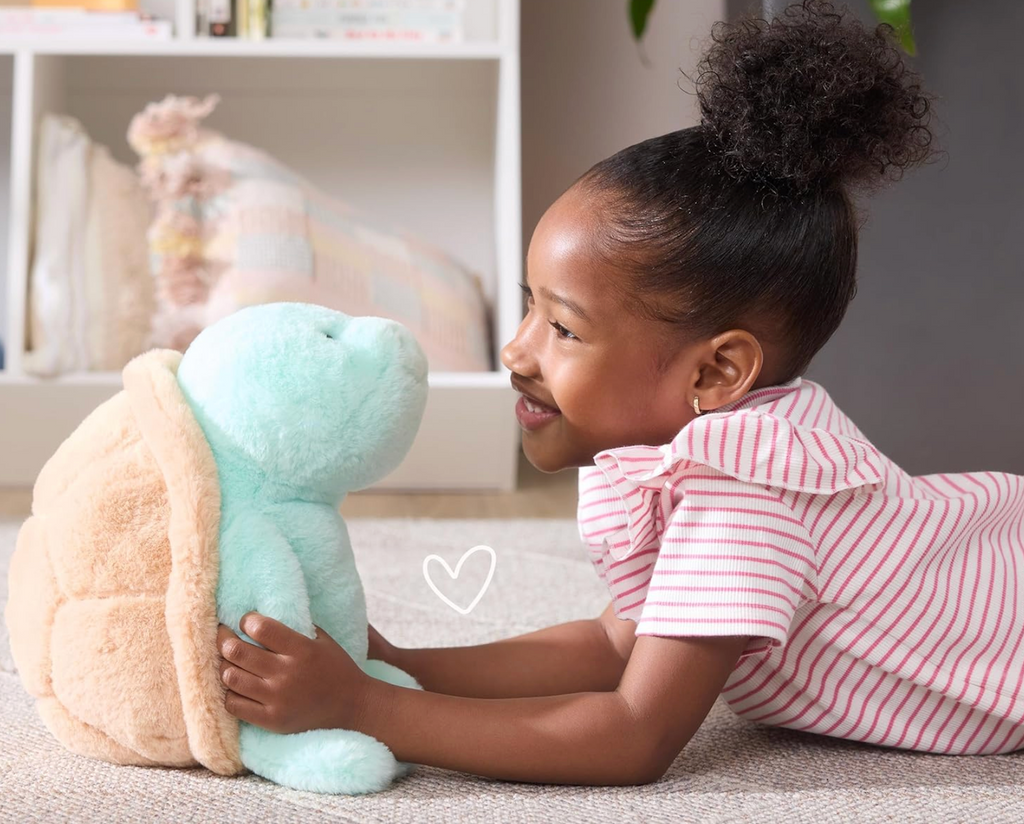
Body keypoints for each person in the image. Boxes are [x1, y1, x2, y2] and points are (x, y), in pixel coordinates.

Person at [215, 0, 1024, 786]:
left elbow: (633, 735)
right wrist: (403, 666)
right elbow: (614, 646)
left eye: (563, 329)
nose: (516, 349)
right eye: (529, 306)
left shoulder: (745, 504)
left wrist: (368, 706)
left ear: (714, 375)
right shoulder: (706, 462)